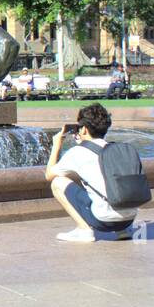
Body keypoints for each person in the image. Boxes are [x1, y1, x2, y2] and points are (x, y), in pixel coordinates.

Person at [45, 103, 139, 244]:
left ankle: (84, 231)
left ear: (83, 129)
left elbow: (49, 175)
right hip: (128, 220)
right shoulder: (117, 149)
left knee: (57, 182)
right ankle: (123, 231)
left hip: (102, 221)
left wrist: (56, 145)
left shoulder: (78, 152)